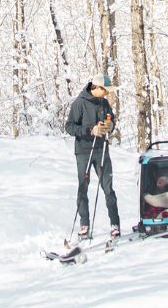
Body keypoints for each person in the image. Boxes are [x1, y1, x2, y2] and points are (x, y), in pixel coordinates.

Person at [64, 74, 120, 239]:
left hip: (102, 150)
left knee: (108, 187)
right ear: (96, 87)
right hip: (84, 150)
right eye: (105, 90)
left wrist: (110, 126)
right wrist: (90, 131)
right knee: (83, 187)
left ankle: (115, 224)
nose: (106, 94)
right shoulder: (79, 103)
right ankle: (84, 225)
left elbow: (112, 120)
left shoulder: (103, 103)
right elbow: (70, 127)